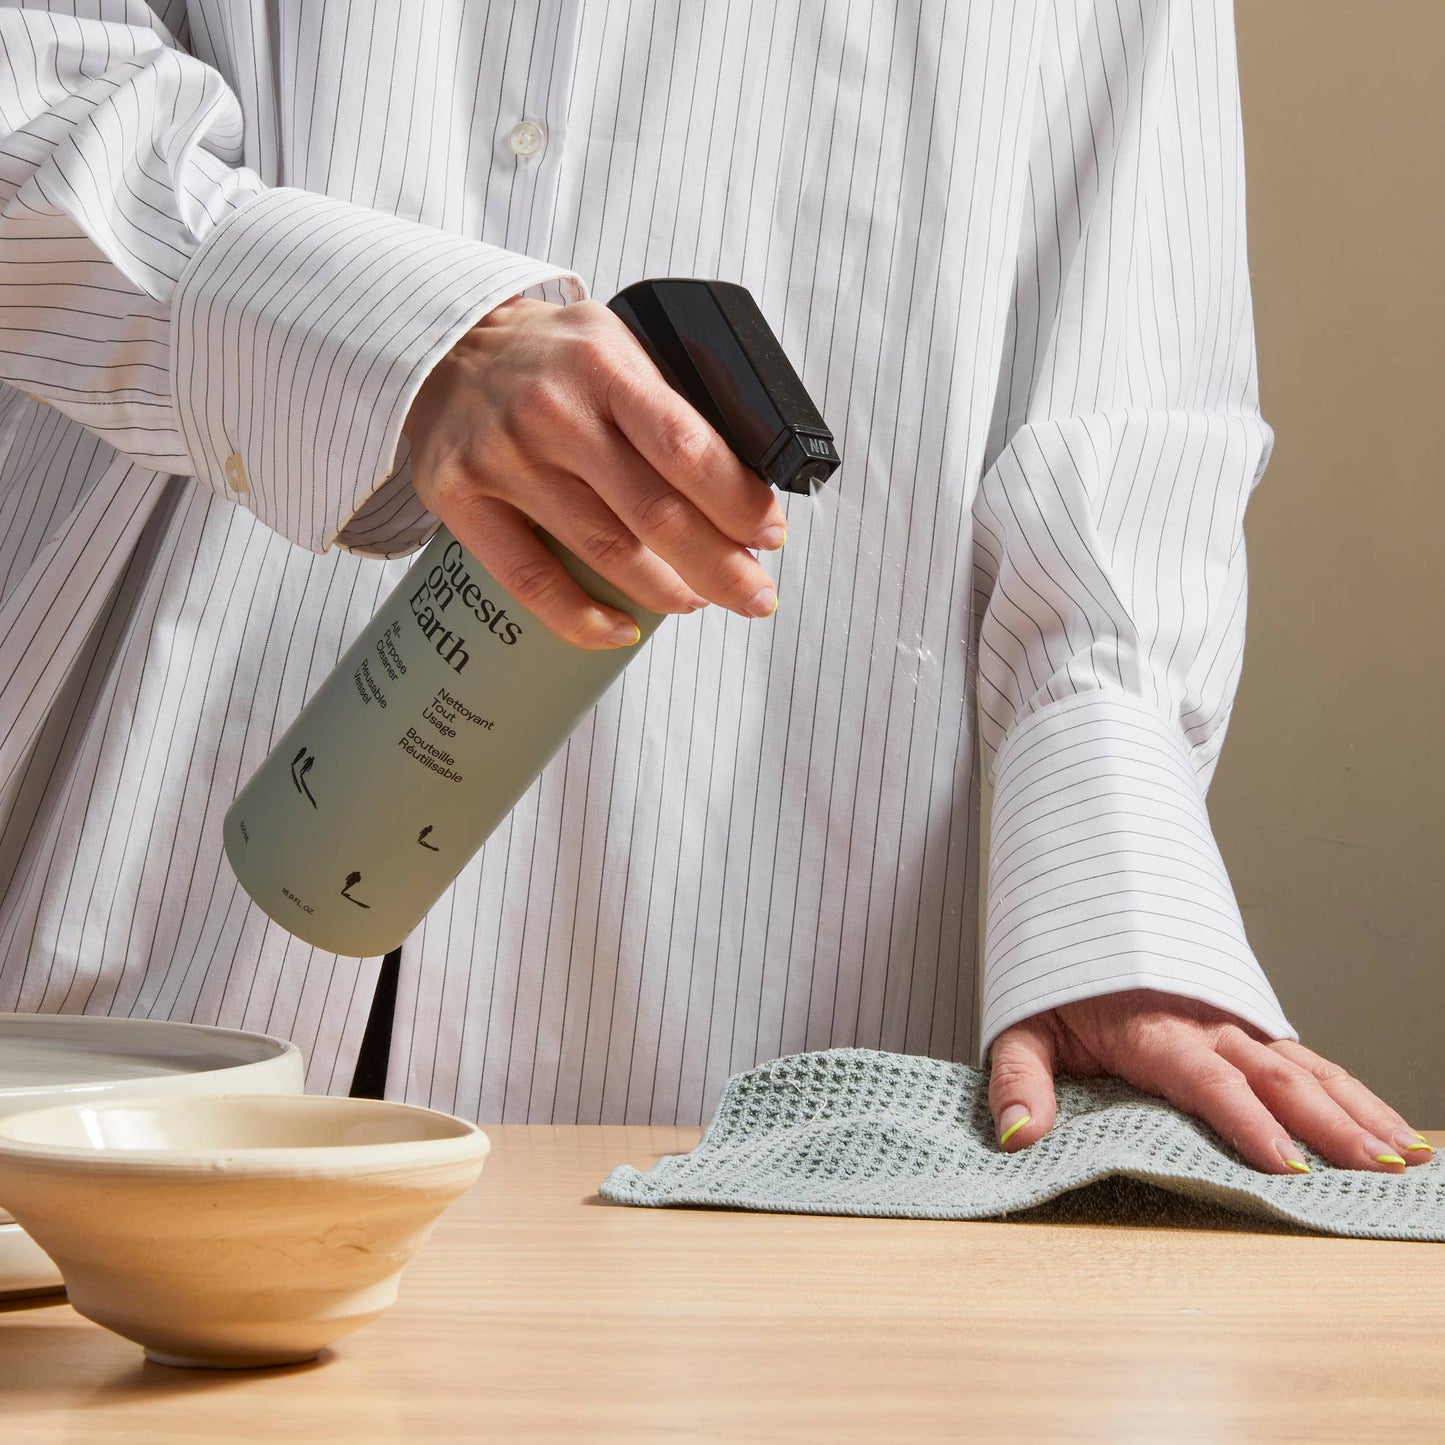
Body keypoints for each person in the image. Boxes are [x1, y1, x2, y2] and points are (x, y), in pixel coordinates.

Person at [0, 0, 1430, 1175]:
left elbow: (1118, 418)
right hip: (121, 917)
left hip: (721, 1074)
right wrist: (392, 340)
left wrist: (1113, 932)